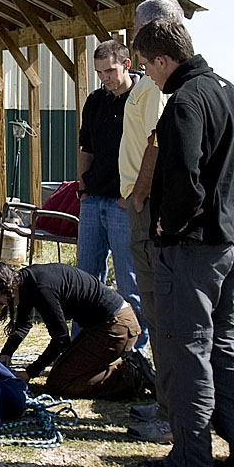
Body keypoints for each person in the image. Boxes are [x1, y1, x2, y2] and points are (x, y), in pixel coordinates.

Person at [133, 19, 234, 467]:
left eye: (148, 68)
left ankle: (191, 465)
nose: (149, 77)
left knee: (184, 356)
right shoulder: (229, 90)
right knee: (224, 353)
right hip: (232, 243)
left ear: (163, 59)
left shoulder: (185, 101)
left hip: (193, 250)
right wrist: (232, 202)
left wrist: (168, 222)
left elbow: (186, 177)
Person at [118, 0, 184, 444]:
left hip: (147, 212)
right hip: (138, 208)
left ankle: (170, 413)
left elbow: (157, 147)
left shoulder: (161, 86)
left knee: (162, 315)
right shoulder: (152, 83)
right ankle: (165, 401)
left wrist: (140, 195)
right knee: (158, 313)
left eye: (139, 33)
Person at [0, 261, 145, 399]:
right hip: (104, 325)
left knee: (59, 382)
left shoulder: (41, 289)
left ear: (6, 291)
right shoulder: (24, 281)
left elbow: (61, 339)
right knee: (64, 370)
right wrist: (6, 353)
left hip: (116, 327)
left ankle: (132, 375)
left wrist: (30, 372)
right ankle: (129, 371)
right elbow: (24, 325)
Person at [76, 39, 148, 351]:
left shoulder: (144, 98)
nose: (105, 77)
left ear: (127, 64)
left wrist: (134, 196)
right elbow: (85, 147)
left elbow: (153, 151)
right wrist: (82, 188)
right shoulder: (95, 101)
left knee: (129, 282)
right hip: (94, 200)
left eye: (110, 70)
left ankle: (136, 350)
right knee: (85, 279)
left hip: (125, 203)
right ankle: (82, 345)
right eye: (99, 72)